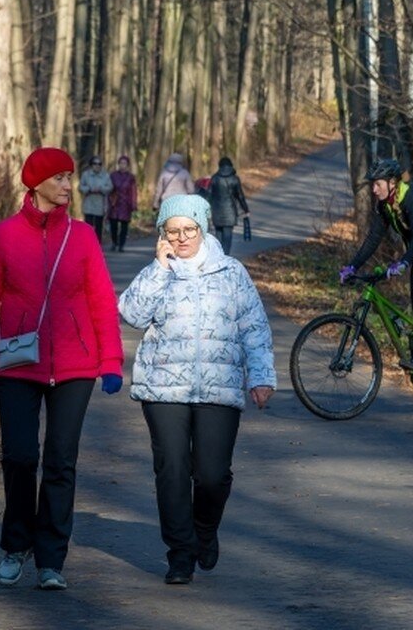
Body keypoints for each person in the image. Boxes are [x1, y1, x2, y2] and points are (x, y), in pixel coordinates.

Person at [0, 147, 125, 591]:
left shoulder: (85, 237)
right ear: (34, 184)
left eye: (70, 177)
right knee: (19, 457)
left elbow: (102, 304)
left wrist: (110, 361)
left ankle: (51, 559)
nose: (68, 186)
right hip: (17, 364)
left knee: (60, 460)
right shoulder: (4, 236)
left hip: (75, 366)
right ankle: (16, 545)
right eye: (59, 179)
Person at [117, 194, 276, 585]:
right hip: (162, 390)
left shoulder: (231, 273)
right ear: (162, 234)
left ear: (203, 229)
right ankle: (181, 553)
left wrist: (261, 376)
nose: (182, 238)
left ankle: (204, 527)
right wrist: (158, 267)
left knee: (212, 475)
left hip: (218, 390)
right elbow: (131, 314)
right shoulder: (158, 271)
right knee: (172, 471)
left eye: (189, 230)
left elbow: (253, 326)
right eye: (174, 231)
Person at [339, 157, 413, 375]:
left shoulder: (410, 198)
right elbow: (373, 239)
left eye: (378, 184)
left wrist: (404, 261)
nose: (374, 189)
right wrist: (352, 266)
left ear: (392, 183)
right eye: (372, 184)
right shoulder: (385, 206)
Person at [207, 156, 250, 255]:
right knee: (227, 235)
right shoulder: (234, 179)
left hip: (217, 210)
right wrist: (246, 209)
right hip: (230, 211)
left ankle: (218, 255)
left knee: (218, 234)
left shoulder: (215, 178)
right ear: (230, 165)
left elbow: (209, 195)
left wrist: (208, 209)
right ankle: (225, 256)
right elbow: (240, 196)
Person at [79, 155, 113, 242]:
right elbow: (80, 187)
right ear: (91, 165)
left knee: (98, 226)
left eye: (99, 164)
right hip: (88, 204)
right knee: (88, 226)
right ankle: (87, 244)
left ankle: (97, 245)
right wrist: (89, 189)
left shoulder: (105, 175)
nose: (97, 165)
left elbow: (110, 187)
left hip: (100, 204)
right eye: (95, 163)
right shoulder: (85, 175)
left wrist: (101, 189)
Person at [108, 154, 138, 252]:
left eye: (124, 163)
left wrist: (133, 204)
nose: (122, 165)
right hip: (115, 203)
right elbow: (109, 189)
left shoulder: (131, 177)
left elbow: (133, 191)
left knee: (124, 226)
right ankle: (114, 242)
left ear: (128, 165)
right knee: (113, 225)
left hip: (126, 204)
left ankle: (121, 245)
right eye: (121, 163)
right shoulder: (113, 175)